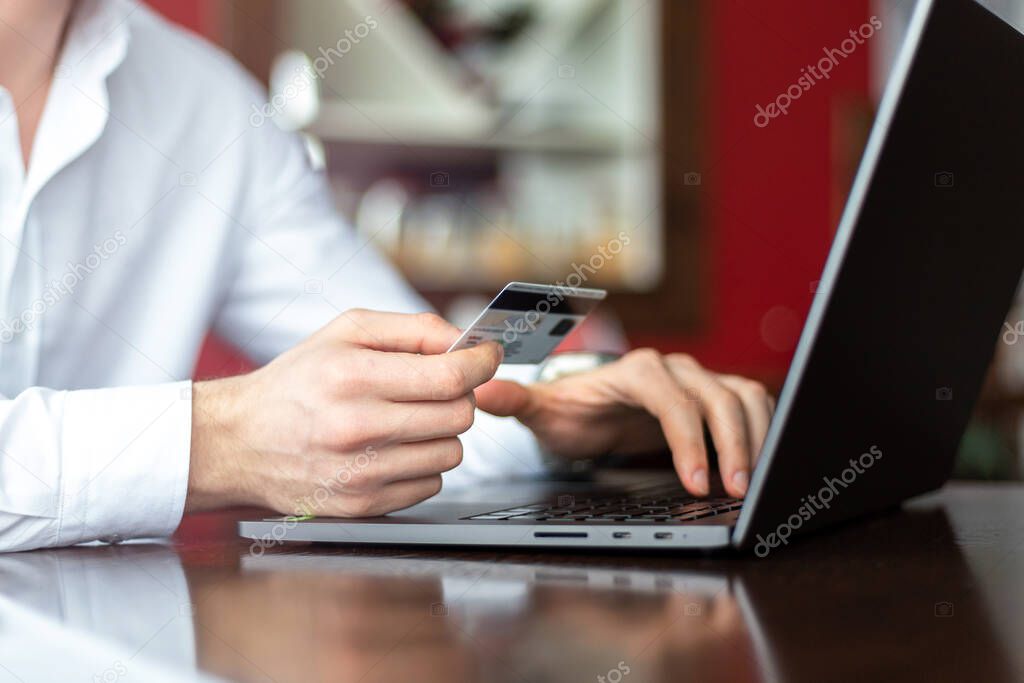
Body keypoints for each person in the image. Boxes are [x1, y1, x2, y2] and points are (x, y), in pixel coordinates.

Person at [0, 0, 773, 552]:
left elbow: (409, 380)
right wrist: (217, 441)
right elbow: (264, 437)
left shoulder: (204, 103)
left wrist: (550, 407)